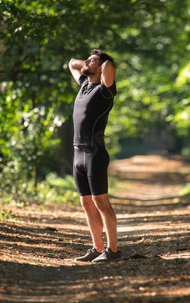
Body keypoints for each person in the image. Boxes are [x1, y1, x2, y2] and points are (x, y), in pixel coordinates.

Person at [68, 49, 121, 262]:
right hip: (77, 153)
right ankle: (97, 249)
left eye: (93, 60)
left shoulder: (105, 90)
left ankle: (113, 251)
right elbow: (72, 63)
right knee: (86, 203)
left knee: (101, 203)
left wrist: (101, 62)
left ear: (101, 68)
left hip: (94, 153)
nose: (87, 61)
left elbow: (110, 66)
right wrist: (90, 63)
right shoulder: (84, 86)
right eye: (88, 59)